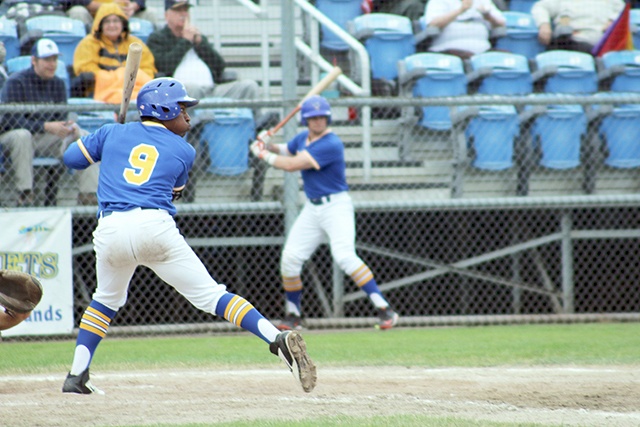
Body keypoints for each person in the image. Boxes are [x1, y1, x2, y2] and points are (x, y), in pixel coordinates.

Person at [60, 77, 317, 395]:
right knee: (212, 295)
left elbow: (71, 159)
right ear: (163, 108)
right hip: (153, 227)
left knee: (105, 300)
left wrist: (105, 138)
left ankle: (76, 375)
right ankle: (275, 338)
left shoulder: (113, 132)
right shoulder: (184, 150)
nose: (188, 115)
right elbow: (175, 192)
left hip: (110, 230)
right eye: (182, 107)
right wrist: (116, 136)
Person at [250, 95, 400, 331]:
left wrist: (262, 153)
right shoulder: (303, 138)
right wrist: (266, 141)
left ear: (328, 118)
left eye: (321, 117)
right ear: (306, 120)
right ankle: (294, 315)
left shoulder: (331, 143)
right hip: (313, 208)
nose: (318, 121)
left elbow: (291, 164)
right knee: (290, 258)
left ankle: (385, 309)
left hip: (336, 206)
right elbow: (286, 150)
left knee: (344, 256)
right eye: (313, 118)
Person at [0, 38, 99, 207]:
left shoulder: (58, 83)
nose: (52, 64)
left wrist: (68, 127)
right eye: (47, 59)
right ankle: (25, 194)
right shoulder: (17, 81)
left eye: (54, 59)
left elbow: (60, 116)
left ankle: (88, 196)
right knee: (22, 135)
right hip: (14, 139)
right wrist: (44, 126)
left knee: (83, 136)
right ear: (34, 60)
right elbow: (9, 120)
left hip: (47, 140)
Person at [146, 0, 259, 102]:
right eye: (178, 11)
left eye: (186, 10)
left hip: (212, 90)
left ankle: (257, 123)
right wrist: (186, 42)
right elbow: (164, 66)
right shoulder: (157, 38)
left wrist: (200, 43)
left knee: (249, 86)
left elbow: (219, 66)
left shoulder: (197, 38)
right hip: (180, 92)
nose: (183, 14)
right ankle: (195, 124)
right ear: (166, 15)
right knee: (192, 89)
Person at [72, 2, 156, 102]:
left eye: (116, 21)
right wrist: (121, 76)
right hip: (101, 95)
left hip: (135, 92)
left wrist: (118, 78)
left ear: (123, 23)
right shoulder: (88, 43)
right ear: (99, 25)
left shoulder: (135, 43)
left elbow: (147, 70)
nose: (112, 25)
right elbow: (86, 70)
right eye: (107, 22)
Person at [531, 0, 626, 54]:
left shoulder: (613, 2)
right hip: (563, 41)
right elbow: (540, 7)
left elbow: (624, 11)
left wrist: (612, 21)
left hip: (592, 42)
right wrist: (544, 25)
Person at [423, 0, 506, 59]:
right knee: (467, 57)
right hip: (449, 51)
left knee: (504, 57)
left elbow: (501, 24)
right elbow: (433, 24)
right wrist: (461, 10)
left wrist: (488, 16)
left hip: (483, 51)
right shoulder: (439, 1)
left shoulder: (483, 1)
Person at [59, 0, 159, 31]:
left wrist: (133, 6)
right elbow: (69, 1)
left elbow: (141, 1)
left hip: (125, 14)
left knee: (151, 13)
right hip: (92, 15)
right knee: (78, 11)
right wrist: (109, 8)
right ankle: (84, 48)